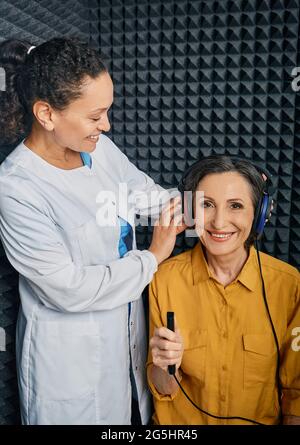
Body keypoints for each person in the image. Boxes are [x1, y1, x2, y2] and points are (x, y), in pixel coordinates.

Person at [0, 37, 184, 425]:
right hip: (67, 370)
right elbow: (69, 288)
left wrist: (213, 200)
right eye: (96, 115)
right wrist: (152, 257)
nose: (107, 124)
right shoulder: (16, 188)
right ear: (47, 114)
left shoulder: (99, 150)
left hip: (122, 346)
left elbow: (147, 197)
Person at [147, 155, 300, 425]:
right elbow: (163, 388)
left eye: (236, 206)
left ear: (260, 214)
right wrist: (164, 365)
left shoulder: (288, 285)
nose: (218, 223)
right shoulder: (164, 280)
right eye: (207, 205)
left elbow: (296, 395)